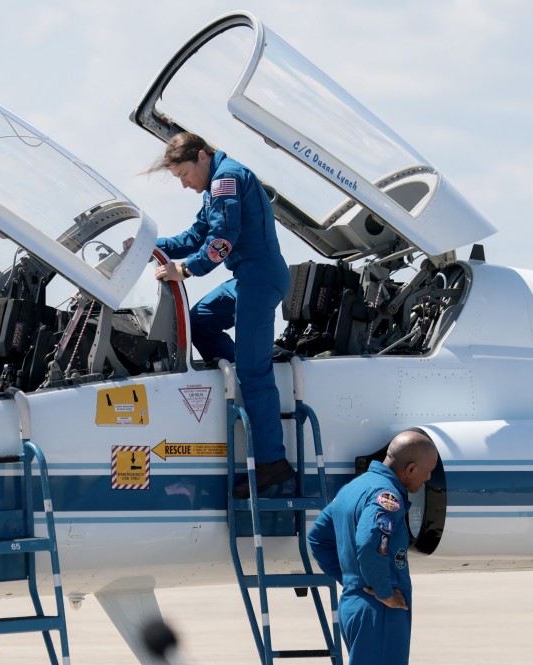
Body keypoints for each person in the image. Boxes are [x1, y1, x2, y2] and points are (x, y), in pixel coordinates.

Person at [143, 132, 292, 498]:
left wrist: (186, 271)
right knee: (200, 322)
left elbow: (221, 240)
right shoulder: (215, 185)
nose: (184, 184)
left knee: (254, 371)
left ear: (202, 156)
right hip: (246, 279)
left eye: (183, 174)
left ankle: (273, 463)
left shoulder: (227, 179)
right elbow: (197, 234)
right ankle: (243, 371)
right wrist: (149, 245)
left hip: (259, 278)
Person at [307, 430, 439, 665]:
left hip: (354, 603)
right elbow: (370, 543)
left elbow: (318, 539)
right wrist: (382, 590)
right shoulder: (387, 497)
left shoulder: (352, 488)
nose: (428, 478)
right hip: (380, 610)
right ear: (410, 469)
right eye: (427, 472)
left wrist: (353, 579)